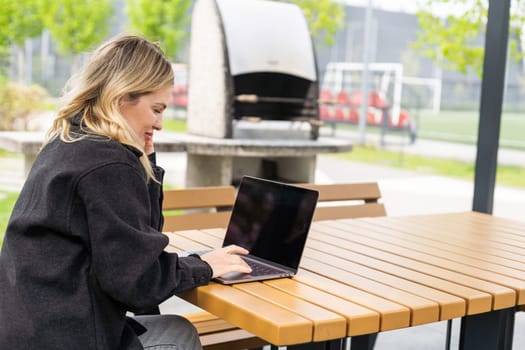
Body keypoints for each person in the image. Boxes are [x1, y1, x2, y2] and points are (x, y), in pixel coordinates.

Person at [0, 34, 252, 349]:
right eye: (156, 109)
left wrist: (144, 158)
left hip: (34, 329)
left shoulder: (72, 140)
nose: (160, 124)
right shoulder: (109, 164)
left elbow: (135, 249)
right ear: (122, 97)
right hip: (66, 337)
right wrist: (206, 266)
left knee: (174, 325)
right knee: (178, 335)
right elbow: (138, 282)